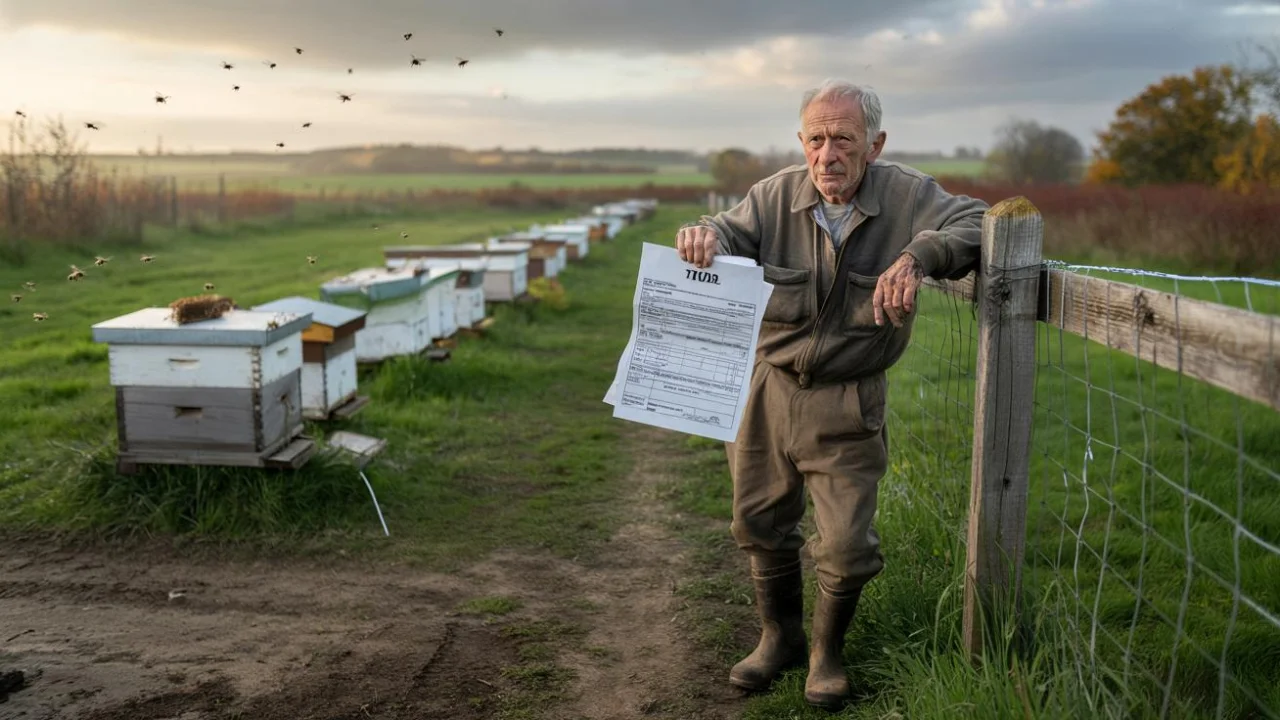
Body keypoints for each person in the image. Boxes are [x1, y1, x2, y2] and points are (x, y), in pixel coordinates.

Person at [674, 78, 989, 710]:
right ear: (801, 142)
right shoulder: (772, 197)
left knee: (845, 545)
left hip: (848, 398)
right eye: (815, 139)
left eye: (843, 139)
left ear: (874, 143)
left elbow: (980, 221)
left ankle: (827, 653)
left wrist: (919, 257)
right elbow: (727, 234)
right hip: (767, 390)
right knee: (758, 521)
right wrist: (703, 235)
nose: (827, 155)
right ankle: (778, 637)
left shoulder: (905, 194)